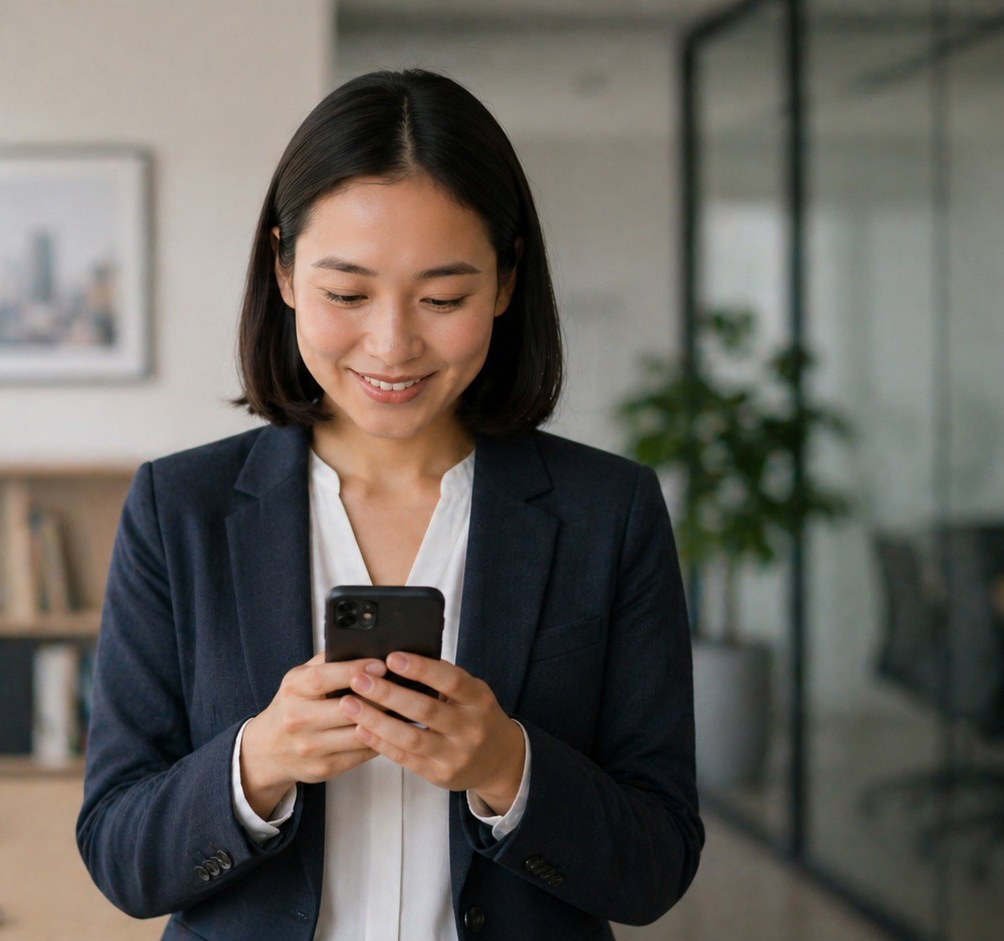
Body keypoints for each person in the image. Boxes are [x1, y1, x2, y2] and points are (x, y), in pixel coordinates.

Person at [76, 68, 702, 941]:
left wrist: (507, 766)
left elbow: (657, 862)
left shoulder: (611, 513)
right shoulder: (179, 509)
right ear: (284, 269)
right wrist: (257, 763)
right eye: (346, 293)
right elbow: (117, 848)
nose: (392, 343)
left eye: (443, 298)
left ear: (507, 280)